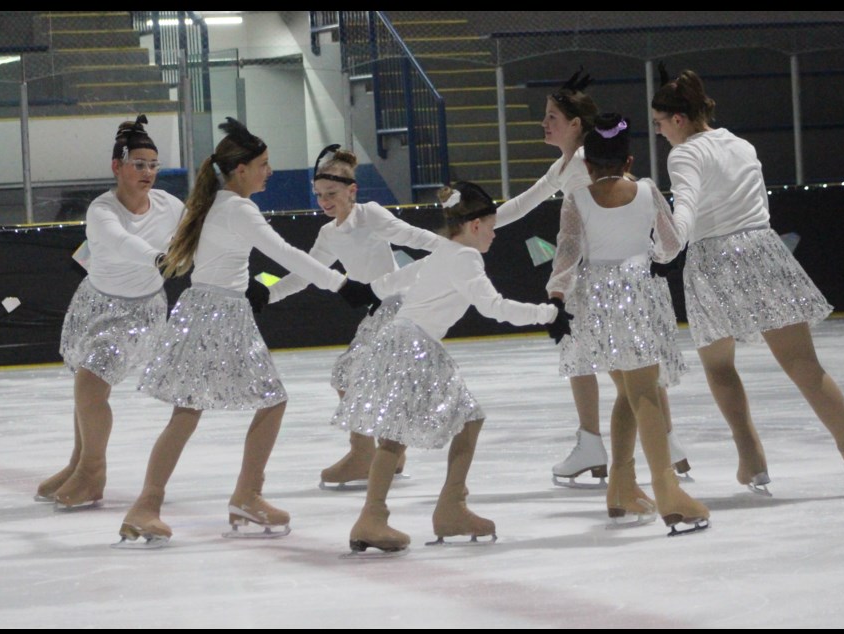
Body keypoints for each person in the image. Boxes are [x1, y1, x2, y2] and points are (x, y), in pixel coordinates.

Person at [114, 117, 376, 547]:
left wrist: (253, 287)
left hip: (203, 308)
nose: (269, 172)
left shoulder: (214, 202)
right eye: (263, 164)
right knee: (269, 402)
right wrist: (343, 285)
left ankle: (153, 505)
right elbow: (287, 254)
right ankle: (243, 496)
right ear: (240, 170)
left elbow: (224, 259)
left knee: (188, 412)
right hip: (220, 315)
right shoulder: (237, 208)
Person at [651, 67, 844, 493]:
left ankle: (752, 458)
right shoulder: (740, 143)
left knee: (719, 365)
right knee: (803, 364)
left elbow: (683, 206)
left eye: (660, 124)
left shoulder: (684, 154)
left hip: (714, 259)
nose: (660, 133)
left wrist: (666, 246)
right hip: (763, 251)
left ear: (679, 120)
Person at [330, 181, 573, 554]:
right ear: (474, 225)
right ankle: (447, 510)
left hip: (399, 340)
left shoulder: (445, 251)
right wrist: (549, 314)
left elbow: (398, 279)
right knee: (464, 419)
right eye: (491, 226)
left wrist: (370, 290)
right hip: (415, 345)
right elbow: (492, 306)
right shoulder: (465, 258)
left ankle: (379, 516)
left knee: (399, 435)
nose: (494, 234)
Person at [495, 69, 691, 487]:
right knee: (603, 362)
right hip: (600, 280)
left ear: (575, 125)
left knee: (628, 370)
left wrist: (562, 287)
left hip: (607, 281)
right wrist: (471, 222)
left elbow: (604, 213)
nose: (544, 123)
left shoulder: (587, 166)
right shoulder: (566, 165)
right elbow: (521, 205)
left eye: (552, 116)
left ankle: (651, 445)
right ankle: (613, 444)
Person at [547, 112, 709, 534]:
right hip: (636, 296)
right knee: (648, 394)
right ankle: (668, 492)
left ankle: (621, 487)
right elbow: (672, 242)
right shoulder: (647, 190)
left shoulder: (576, 199)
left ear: (587, 164)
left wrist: (556, 297)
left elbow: (566, 252)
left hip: (593, 300)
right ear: (629, 160)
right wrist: (652, 262)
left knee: (628, 394)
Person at [266, 145, 444, 490]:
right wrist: (268, 293)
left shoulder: (371, 215)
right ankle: (391, 454)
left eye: (331, 194)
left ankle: (364, 454)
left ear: (352, 190)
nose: (324, 202)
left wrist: (453, 247)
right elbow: (307, 273)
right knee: (364, 378)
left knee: (348, 374)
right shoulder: (329, 234)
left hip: (399, 307)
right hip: (378, 310)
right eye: (319, 195)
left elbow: (413, 237)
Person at [35, 115, 184, 510]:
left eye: (153, 165)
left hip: (140, 313)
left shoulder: (170, 206)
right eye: (139, 164)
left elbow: (195, 233)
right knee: (87, 387)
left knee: (90, 384)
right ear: (117, 166)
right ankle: (78, 463)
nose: (148, 172)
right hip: (95, 303)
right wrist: (159, 257)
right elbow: (120, 242)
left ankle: (93, 473)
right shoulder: (102, 210)